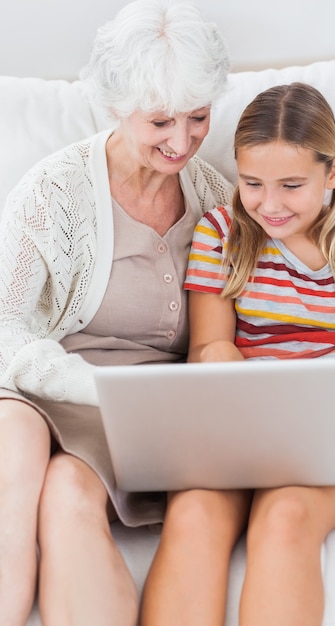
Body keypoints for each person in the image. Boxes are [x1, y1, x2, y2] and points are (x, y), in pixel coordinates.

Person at [140, 82, 335, 626]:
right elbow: (209, 344)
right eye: (252, 183)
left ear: (332, 172)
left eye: (291, 185)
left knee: (285, 517)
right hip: (242, 419)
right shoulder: (222, 235)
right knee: (194, 513)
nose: (269, 204)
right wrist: (233, 384)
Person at [0, 1, 233, 624]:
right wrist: (90, 386)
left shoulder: (221, 203)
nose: (181, 141)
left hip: (146, 413)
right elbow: (3, 325)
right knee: (16, 452)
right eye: (160, 121)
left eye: (198, 118)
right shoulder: (55, 190)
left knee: (69, 495)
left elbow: (320, 257)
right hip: (47, 385)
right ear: (114, 105)